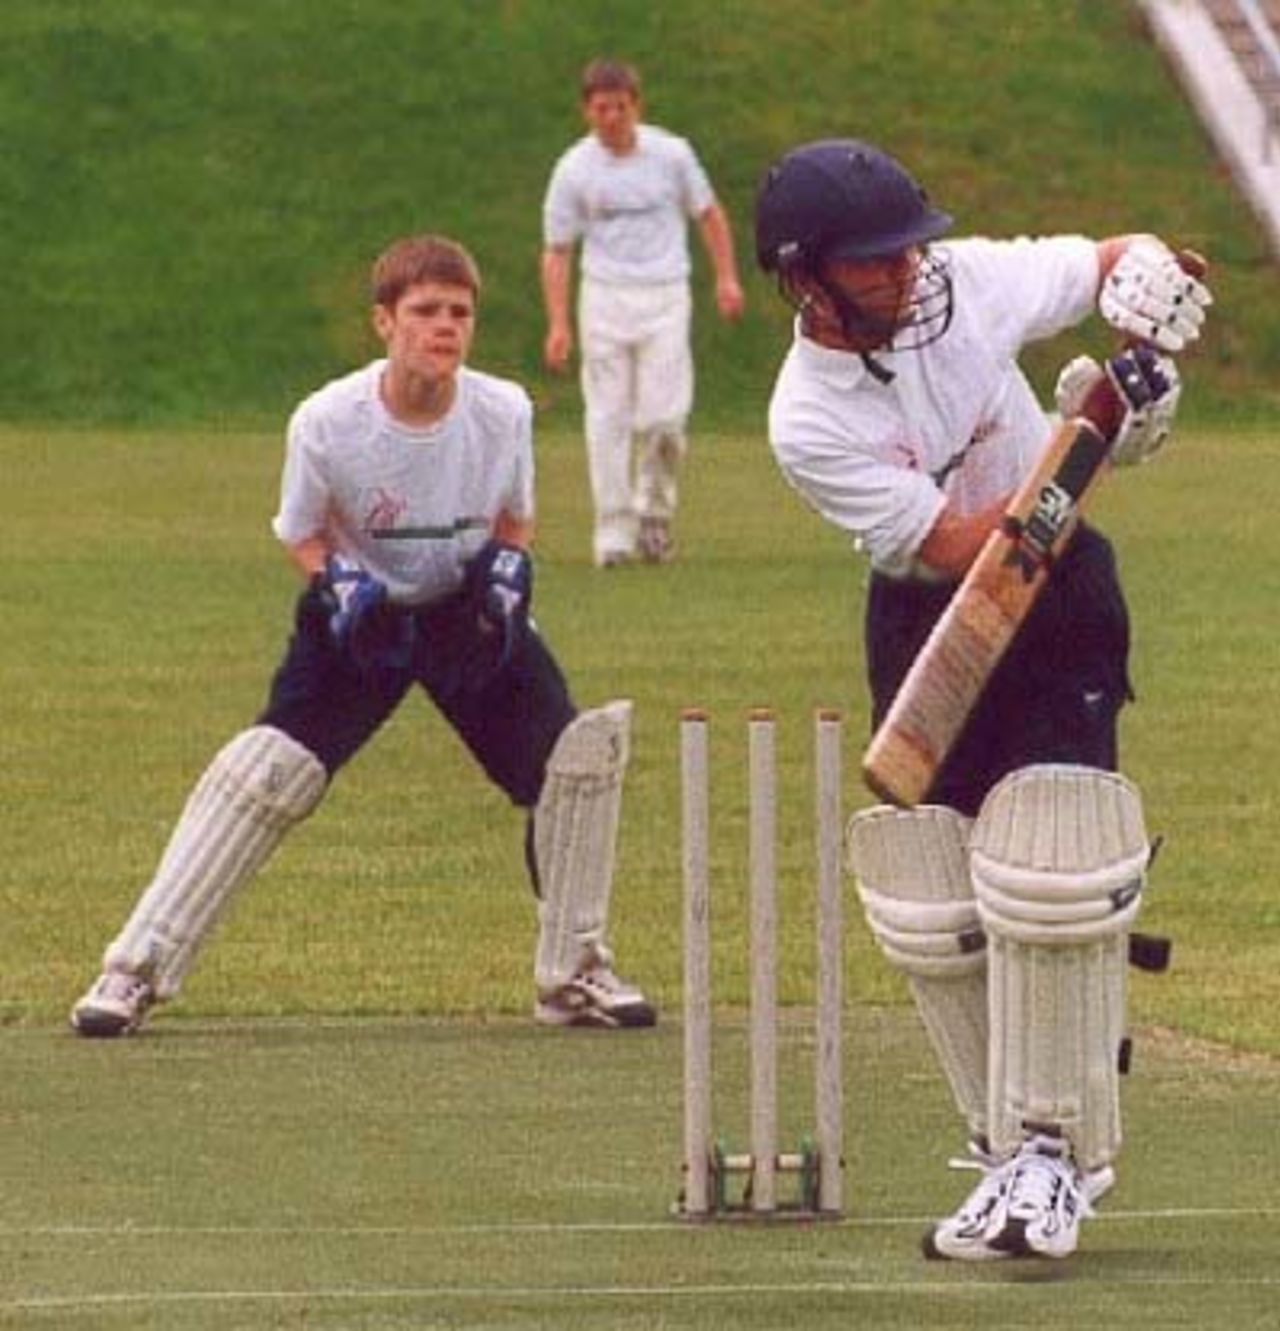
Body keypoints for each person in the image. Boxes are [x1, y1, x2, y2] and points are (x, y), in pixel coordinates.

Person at [754, 139, 1210, 1260]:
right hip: (934, 614)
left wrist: (1144, 289)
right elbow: (966, 544)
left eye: (908, 247)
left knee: (1048, 856)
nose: (906, 274)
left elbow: (1109, 259)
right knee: (932, 894)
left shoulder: (960, 281)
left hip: (1060, 606)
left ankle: (1052, 1158)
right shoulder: (804, 418)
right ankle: (1008, 1140)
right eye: (873, 262)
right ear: (805, 277)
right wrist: (1090, 431)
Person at [72, 234, 656, 1038]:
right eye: (425, 311)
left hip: (463, 611)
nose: (445, 327)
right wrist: (337, 579)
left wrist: (507, 569)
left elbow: (515, 517)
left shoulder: (503, 410)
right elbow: (301, 530)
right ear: (385, 322)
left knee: (577, 765)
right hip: (361, 618)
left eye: (460, 312)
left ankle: (574, 971)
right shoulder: (327, 422)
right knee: (265, 773)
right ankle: (130, 970)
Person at [540, 58, 745, 567]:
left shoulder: (671, 154)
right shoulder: (574, 168)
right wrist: (559, 323)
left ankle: (654, 517)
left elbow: (708, 213)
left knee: (664, 419)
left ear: (637, 105)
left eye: (621, 106)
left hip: (665, 295)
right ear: (586, 110)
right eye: (601, 108)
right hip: (604, 298)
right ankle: (612, 534)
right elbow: (558, 249)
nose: (611, 117)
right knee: (607, 416)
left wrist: (726, 277)